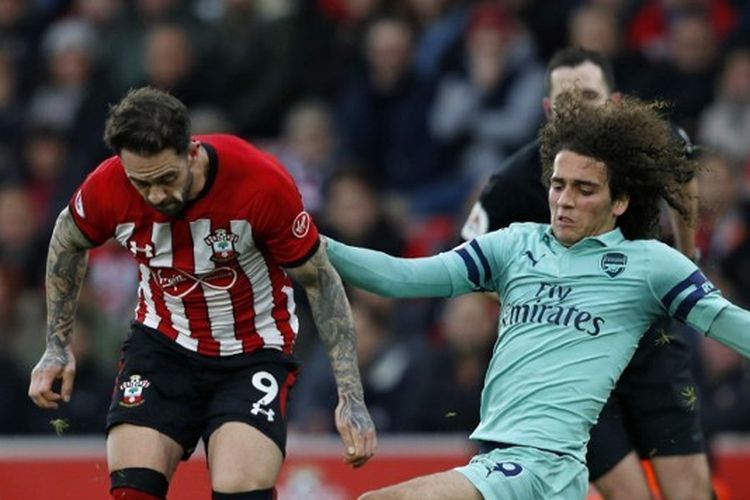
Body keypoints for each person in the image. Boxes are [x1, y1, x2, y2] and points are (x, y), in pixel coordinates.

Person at [325, 92, 750, 500]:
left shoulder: (651, 264)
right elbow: (400, 277)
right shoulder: (514, 245)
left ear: (620, 200)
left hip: (542, 466)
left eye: (585, 190)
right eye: (558, 185)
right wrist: (312, 244)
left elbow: (730, 324)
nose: (565, 201)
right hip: (498, 458)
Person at [27, 86, 376, 500]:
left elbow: (322, 282)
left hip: (252, 352)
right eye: (143, 183)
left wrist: (350, 395)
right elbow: (67, 240)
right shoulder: (109, 186)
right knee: (131, 491)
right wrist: (56, 346)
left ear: (192, 151)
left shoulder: (260, 184)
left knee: (239, 491)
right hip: (162, 344)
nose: (156, 195)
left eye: (166, 179)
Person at [461, 47, 709, 500]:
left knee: (690, 489)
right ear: (547, 110)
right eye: (565, 101)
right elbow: (472, 263)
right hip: (573, 367)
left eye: (589, 96)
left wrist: (690, 258)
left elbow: (685, 175)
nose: (577, 110)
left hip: (650, 344)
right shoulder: (513, 182)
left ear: (612, 101)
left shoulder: (650, 143)